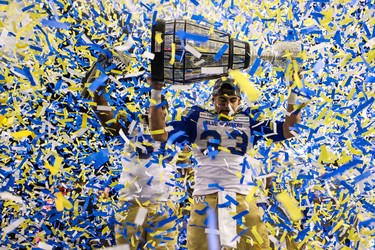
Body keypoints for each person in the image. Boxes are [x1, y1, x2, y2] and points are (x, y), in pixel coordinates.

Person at [149, 76, 302, 249]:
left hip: (242, 197)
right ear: (213, 99)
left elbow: (290, 131)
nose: (227, 104)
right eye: (222, 99)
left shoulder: (249, 119)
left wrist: (294, 92)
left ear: (239, 101)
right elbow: (159, 134)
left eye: (232, 100)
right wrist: (156, 91)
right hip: (205, 197)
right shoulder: (196, 117)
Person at [82, 52, 181, 249]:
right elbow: (108, 121)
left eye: (161, 110)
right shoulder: (131, 127)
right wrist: (97, 93)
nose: (156, 114)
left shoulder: (177, 132)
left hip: (162, 205)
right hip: (133, 204)